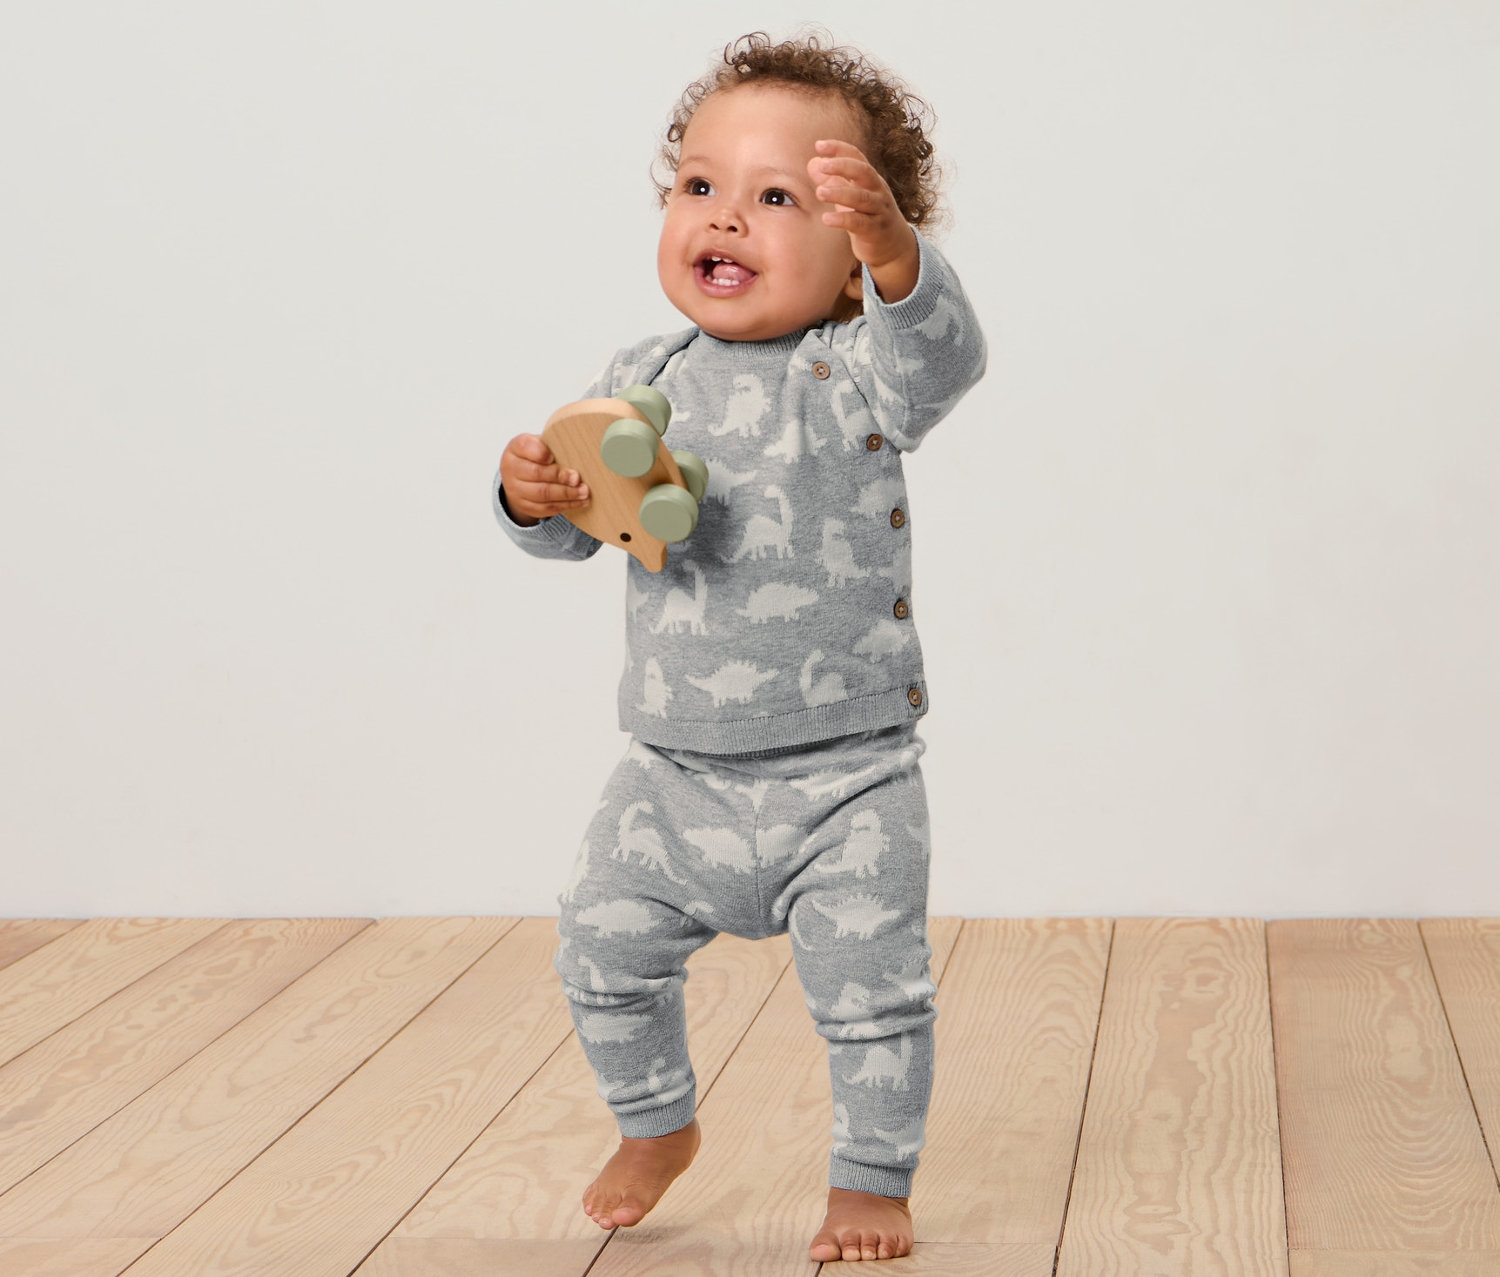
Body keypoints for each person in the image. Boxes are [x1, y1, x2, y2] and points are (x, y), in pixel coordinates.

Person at [493, 31, 986, 1264]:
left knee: (874, 1000)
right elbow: (583, 535)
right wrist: (530, 495)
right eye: (701, 187)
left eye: (779, 198)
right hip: (672, 773)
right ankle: (656, 1122)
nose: (727, 217)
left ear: (845, 262)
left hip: (849, 776)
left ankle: (871, 1177)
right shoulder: (641, 376)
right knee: (598, 944)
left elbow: (948, 358)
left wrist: (899, 262)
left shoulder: (859, 368)